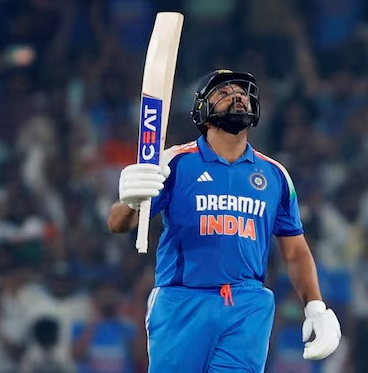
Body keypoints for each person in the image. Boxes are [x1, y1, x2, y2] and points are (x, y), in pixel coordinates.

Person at [107, 69, 342, 371]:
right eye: (223, 93)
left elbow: (295, 250)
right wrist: (129, 200)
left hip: (247, 303)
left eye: (242, 93)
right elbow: (118, 224)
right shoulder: (174, 162)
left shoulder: (275, 175)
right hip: (183, 300)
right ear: (202, 111)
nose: (237, 97)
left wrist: (315, 306)